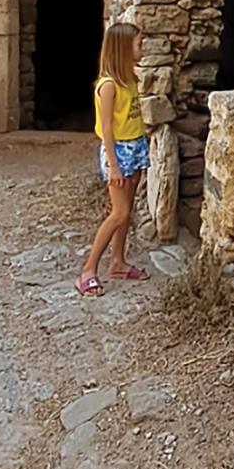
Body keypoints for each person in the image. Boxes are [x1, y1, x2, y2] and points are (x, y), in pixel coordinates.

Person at [76, 19, 150, 294]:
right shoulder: (108, 86)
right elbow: (106, 128)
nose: (144, 48)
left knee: (127, 210)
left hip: (135, 146)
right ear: (123, 48)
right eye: (139, 44)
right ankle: (88, 270)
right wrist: (113, 165)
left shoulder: (130, 79)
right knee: (119, 213)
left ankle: (118, 262)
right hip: (118, 152)